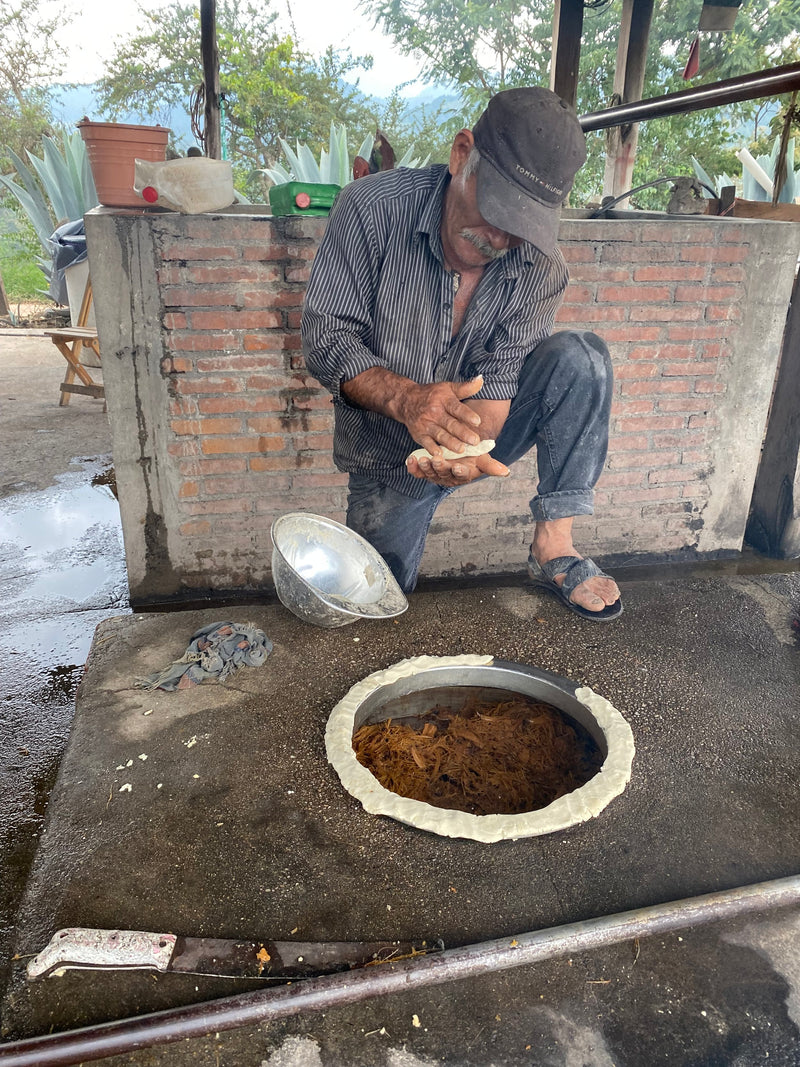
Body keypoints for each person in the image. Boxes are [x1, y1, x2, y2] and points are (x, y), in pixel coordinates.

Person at [301, 87, 622, 621]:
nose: (498, 237)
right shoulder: (372, 209)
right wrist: (406, 400)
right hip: (388, 452)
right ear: (460, 155)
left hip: (482, 427)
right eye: (495, 208)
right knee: (370, 604)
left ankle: (555, 546)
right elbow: (325, 335)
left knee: (581, 357)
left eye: (521, 226)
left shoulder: (542, 270)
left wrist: (469, 451)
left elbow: (500, 377)